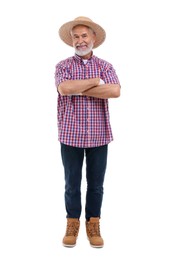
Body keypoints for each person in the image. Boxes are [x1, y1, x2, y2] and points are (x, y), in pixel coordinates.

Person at [55, 16, 121, 248]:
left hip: (99, 135)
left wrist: (79, 88)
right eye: (76, 37)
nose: (80, 41)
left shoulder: (106, 65)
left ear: (93, 38)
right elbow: (64, 88)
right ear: (71, 40)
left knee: (96, 184)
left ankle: (93, 223)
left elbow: (114, 91)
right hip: (70, 134)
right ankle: (72, 222)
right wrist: (94, 82)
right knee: (71, 184)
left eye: (84, 36)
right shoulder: (63, 66)